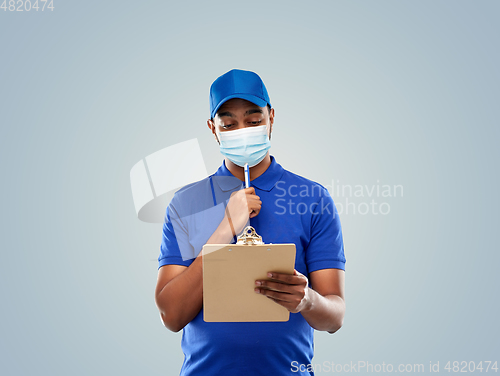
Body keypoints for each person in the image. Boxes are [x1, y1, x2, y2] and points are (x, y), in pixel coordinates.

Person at [155, 69, 346, 376]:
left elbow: (335, 317)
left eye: (254, 121)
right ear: (213, 129)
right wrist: (224, 229)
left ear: (271, 117)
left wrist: (306, 300)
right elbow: (171, 315)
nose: (242, 131)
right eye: (229, 124)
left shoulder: (312, 198)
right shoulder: (186, 203)